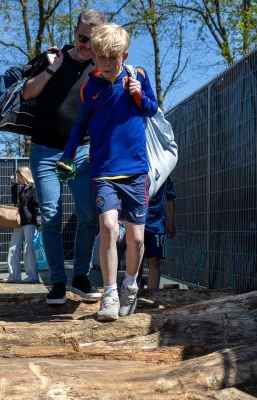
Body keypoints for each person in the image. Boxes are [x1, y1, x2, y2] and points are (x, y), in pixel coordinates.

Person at [58, 23, 158, 321]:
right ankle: (110, 293)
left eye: (113, 58)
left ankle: (130, 285)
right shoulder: (89, 87)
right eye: (101, 57)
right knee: (109, 227)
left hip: (135, 170)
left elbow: (151, 109)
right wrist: (67, 154)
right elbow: (80, 125)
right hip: (103, 170)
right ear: (94, 56)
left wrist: (139, 95)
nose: (106, 63)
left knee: (136, 239)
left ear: (123, 55)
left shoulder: (138, 75)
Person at [22, 9, 107, 305]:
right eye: (82, 38)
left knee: (89, 214)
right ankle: (57, 281)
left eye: (93, 41)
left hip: (81, 152)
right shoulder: (53, 58)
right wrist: (52, 69)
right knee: (51, 216)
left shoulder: (101, 66)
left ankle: (80, 276)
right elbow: (27, 93)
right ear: (75, 32)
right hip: (46, 152)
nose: (86, 46)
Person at [5, 166, 41, 283]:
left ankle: (32, 277)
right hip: (20, 222)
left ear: (24, 175)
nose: (17, 178)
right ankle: (14, 276)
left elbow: (37, 207)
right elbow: (15, 201)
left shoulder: (33, 189)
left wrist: (38, 223)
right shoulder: (23, 189)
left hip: (29, 222)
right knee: (13, 248)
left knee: (28, 249)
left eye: (18, 176)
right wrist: (13, 185)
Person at [143, 177, 176, 289]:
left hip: (156, 224)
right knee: (136, 262)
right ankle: (132, 294)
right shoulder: (134, 166)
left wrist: (171, 222)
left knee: (155, 261)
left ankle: (152, 295)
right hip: (136, 222)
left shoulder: (163, 169)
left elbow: (170, 196)